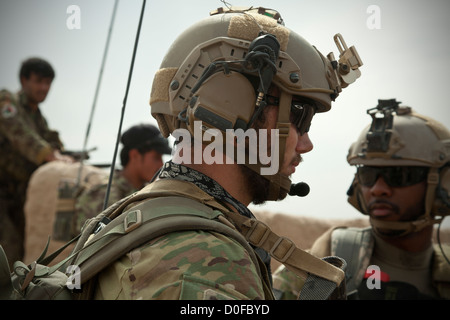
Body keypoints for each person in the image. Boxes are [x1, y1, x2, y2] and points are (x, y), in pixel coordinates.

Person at [84, 6, 362, 300]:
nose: (306, 144)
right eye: (301, 117)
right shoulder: (207, 260)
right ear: (230, 108)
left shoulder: (139, 215)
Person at [272, 99, 450, 300]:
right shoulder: (327, 262)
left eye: (400, 175)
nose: (378, 189)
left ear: (443, 184)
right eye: (368, 175)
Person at [0, 57, 73, 267]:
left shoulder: (38, 118)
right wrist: (51, 156)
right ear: (24, 80)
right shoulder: (8, 102)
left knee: (24, 251)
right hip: (2, 192)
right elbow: (19, 134)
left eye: (48, 83)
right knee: (8, 250)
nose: (44, 87)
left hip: (22, 195)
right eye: (39, 81)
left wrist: (63, 154)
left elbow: (50, 140)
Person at [73, 123, 172, 234]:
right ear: (135, 155)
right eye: (156, 157)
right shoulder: (105, 193)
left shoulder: (146, 192)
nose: (161, 164)